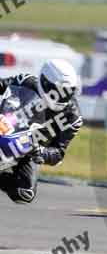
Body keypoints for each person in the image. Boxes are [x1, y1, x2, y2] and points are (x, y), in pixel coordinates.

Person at [0, 59, 83, 204]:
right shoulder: (25, 81)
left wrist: (40, 151)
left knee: (24, 193)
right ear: (45, 82)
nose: (62, 96)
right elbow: (2, 84)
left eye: (67, 92)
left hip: (29, 149)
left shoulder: (73, 117)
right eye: (58, 90)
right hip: (8, 125)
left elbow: (59, 154)